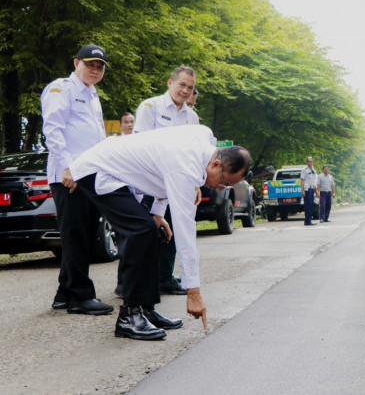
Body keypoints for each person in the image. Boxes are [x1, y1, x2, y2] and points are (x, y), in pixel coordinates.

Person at [64, 125, 251, 340]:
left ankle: (145, 309)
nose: (220, 188)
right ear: (215, 164)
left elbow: (163, 173)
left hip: (122, 174)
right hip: (100, 171)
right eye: (224, 182)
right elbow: (185, 231)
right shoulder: (186, 167)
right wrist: (193, 292)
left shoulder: (204, 137)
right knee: (140, 231)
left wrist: (157, 214)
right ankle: (129, 317)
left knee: (149, 228)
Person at [40, 44, 113, 315]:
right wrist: (66, 168)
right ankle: (81, 296)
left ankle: (64, 293)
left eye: (100, 66)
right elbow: (53, 130)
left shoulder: (92, 95)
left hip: (89, 174)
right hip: (69, 176)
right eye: (90, 64)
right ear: (76, 63)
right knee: (76, 235)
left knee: (81, 233)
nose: (95, 69)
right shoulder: (61, 89)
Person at [133, 66, 199, 295]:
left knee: (172, 231)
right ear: (170, 83)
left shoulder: (191, 117)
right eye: (182, 85)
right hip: (149, 182)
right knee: (142, 235)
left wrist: (194, 184)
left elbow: (193, 153)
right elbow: (139, 145)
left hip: (176, 184)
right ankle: (129, 283)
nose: (185, 91)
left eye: (190, 87)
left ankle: (164, 277)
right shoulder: (151, 107)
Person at [300, 156, 319, 226]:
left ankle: (308, 220)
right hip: (307, 189)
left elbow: (314, 181)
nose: (310, 163)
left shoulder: (313, 169)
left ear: (312, 162)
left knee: (311, 205)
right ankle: (308, 220)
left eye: (311, 162)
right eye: (309, 162)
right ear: (306, 162)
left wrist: (316, 191)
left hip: (312, 189)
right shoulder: (304, 170)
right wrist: (302, 190)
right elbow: (302, 180)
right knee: (307, 206)